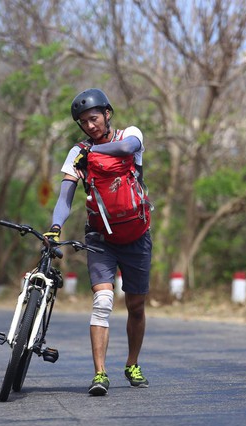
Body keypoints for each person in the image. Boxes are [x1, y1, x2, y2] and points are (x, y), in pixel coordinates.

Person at [45, 88, 152, 396]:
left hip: (137, 234)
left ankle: (132, 363)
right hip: (100, 237)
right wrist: (55, 226)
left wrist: (91, 154)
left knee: (136, 305)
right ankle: (100, 374)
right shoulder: (78, 152)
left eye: (93, 118)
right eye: (83, 122)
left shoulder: (130, 135)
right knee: (103, 302)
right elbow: (66, 196)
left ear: (107, 113)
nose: (90, 126)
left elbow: (126, 147)